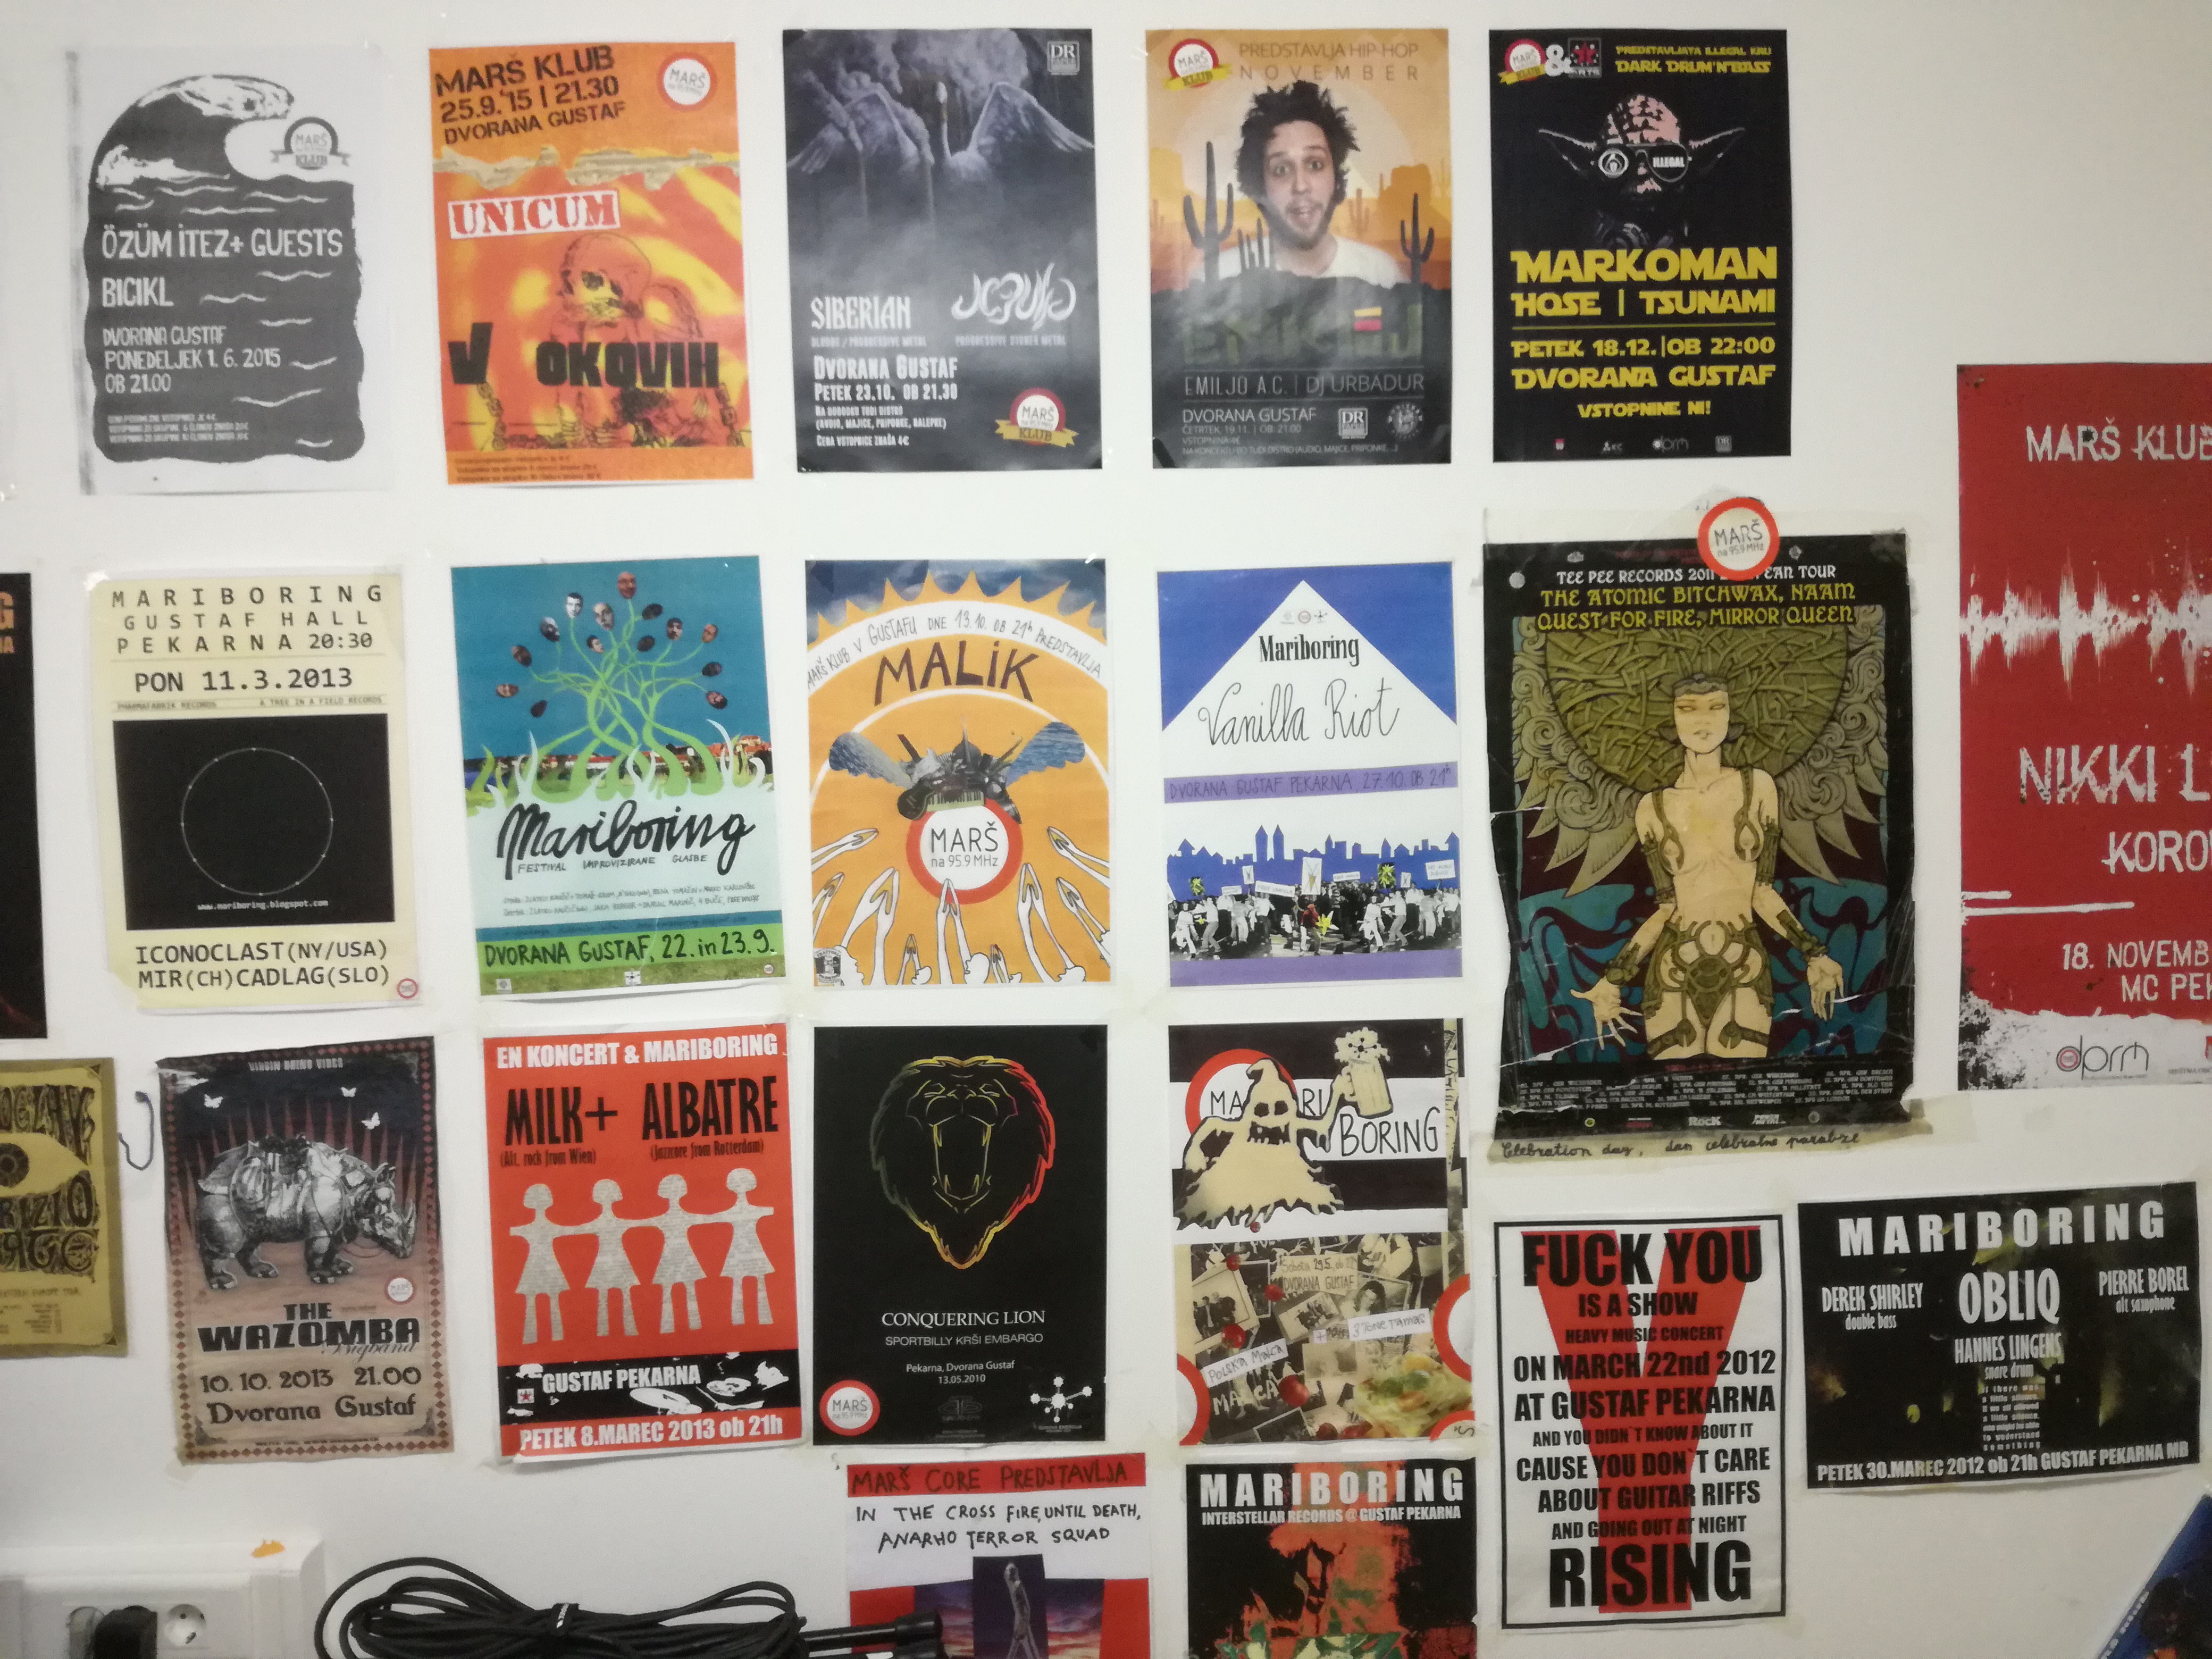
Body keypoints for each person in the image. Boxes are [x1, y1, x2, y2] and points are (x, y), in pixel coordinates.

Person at [1574, 673, 1846, 1058]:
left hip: (1744, 961)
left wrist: (1814, 953)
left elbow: (1762, 893)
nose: (1703, 721)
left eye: (1716, 708)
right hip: (1673, 964)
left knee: (1742, 1084)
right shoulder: (1653, 807)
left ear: (1730, 717)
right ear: (1673, 719)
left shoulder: (1758, 787)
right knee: (1672, 1086)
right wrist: (1613, 978)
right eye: (1688, 710)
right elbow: (1666, 908)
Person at [1233, 80, 1401, 285]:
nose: (1301, 186)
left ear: (1336, 178)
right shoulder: (1219, 277)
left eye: (1315, 165)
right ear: (1260, 185)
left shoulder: (1380, 274)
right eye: (1281, 170)